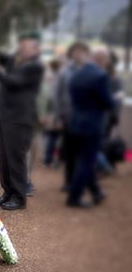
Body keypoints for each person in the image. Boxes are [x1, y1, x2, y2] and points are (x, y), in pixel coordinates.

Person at [0, 33, 45, 210]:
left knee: (16, 158)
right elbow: (1, 56)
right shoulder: (16, 61)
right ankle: (8, 192)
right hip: (4, 114)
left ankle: (19, 196)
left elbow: (14, 82)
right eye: (21, 46)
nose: (21, 49)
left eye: (25, 47)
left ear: (35, 49)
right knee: (4, 156)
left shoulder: (34, 66)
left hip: (19, 118)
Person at [66, 43, 115, 207]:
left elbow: (73, 96)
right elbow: (108, 102)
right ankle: (74, 197)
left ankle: (96, 192)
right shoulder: (100, 76)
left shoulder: (78, 73)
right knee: (87, 162)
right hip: (92, 125)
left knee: (85, 159)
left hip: (75, 123)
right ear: (102, 59)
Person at [54, 43, 80, 191]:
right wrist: (58, 118)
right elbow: (57, 95)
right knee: (70, 152)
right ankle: (70, 182)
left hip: (84, 119)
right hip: (69, 118)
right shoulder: (65, 73)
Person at [40, 58, 63, 166]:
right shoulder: (57, 79)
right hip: (55, 113)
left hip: (50, 113)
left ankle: (48, 158)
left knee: (49, 137)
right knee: (54, 138)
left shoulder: (48, 79)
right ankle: (50, 159)